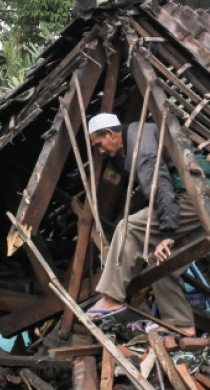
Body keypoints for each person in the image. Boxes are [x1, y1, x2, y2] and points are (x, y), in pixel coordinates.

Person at [85, 112, 202, 337]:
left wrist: (167, 231)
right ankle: (182, 324)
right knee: (160, 262)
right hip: (198, 200)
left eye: (99, 144)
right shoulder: (139, 136)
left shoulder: (141, 145)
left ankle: (110, 297)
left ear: (110, 133)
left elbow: (161, 189)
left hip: (193, 199)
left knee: (128, 228)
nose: (100, 151)